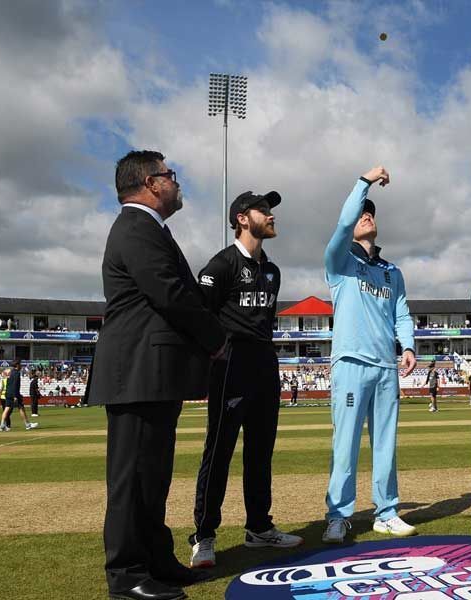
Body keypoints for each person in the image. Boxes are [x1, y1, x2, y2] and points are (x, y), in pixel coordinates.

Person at [89, 150, 226, 600]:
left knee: (153, 476)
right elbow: (169, 292)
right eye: (171, 174)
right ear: (151, 182)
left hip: (152, 371)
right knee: (132, 478)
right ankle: (127, 575)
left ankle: (155, 560)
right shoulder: (135, 226)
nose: (176, 181)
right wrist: (215, 337)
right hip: (136, 371)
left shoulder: (147, 228)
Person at [188, 190, 302, 570]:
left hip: (264, 365)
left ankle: (258, 527)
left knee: (260, 451)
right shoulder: (220, 266)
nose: (271, 216)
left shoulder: (272, 270)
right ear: (241, 218)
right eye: (263, 211)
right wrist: (216, 350)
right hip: (231, 366)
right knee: (219, 450)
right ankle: (204, 535)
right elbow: (199, 315)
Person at [321, 165, 418, 544]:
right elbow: (345, 222)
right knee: (344, 445)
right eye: (363, 211)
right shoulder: (339, 262)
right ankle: (338, 516)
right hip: (350, 364)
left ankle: (386, 512)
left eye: (371, 213)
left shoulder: (393, 272)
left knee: (385, 445)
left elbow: (403, 312)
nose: (366, 215)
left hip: (384, 368)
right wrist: (363, 182)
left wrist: (407, 345)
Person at [0, 361, 36, 431]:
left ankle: (2, 425)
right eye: (20, 364)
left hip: (8, 393)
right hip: (14, 394)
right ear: (17, 365)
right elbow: (15, 385)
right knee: (21, 408)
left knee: (6, 409)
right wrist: (15, 395)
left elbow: (9, 384)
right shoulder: (16, 373)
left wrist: (8, 394)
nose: (21, 366)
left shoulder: (10, 372)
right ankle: (27, 425)